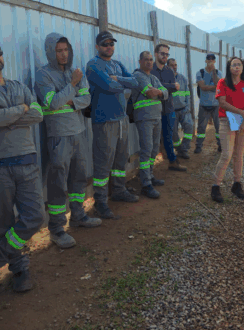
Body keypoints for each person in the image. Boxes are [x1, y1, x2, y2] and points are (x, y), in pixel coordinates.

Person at [34, 33, 101, 250]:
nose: (64, 54)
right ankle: (56, 229)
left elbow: (87, 98)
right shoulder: (43, 75)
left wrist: (72, 102)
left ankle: (78, 216)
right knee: (58, 182)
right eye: (59, 51)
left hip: (78, 132)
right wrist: (72, 86)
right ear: (50, 52)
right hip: (58, 136)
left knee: (79, 177)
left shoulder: (75, 71)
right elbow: (53, 103)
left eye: (66, 50)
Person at [0, 45, 45, 292]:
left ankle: (2, 253)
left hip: (26, 159)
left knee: (34, 215)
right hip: (1, 166)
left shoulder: (18, 86)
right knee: (4, 222)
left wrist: (8, 118)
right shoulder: (21, 97)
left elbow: (38, 114)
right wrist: (21, 109)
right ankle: (19, 268)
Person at [87, 31, 141, 218]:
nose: (109, 47)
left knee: (120, 159)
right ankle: (100, 202)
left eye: (111, 44)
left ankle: (118, 190)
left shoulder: (117, 65)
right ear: (97, 47)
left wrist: (119, 79)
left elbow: (135, 82)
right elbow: (109, 87)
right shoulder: (93, 65)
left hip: (121, 119)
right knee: (103, 163)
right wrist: (121, 83)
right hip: (104, 120)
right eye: (105, 44)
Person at [211, 57, 244, 203]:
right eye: (234, 65)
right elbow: (222, 103)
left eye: (239, 65)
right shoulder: (222, 82)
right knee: (227, 155)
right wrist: (241, 113)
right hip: (226, 120)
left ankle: (237, 184)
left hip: (243, 122)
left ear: (243, 68)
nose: (237, 67)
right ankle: (216, 186)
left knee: (239, 155)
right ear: (229, 68)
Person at [131, 51, 169, 199]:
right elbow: (150, 93)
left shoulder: (153, 77)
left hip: (156, 117)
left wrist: (158, 91)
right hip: (144, 118)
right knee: (146, 150)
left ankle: (150, 175)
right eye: (146, 59)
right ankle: (146, 184)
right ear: (140, 61)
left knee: (154, 149)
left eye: (151, 60)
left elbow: (166, 93)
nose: (149, 62)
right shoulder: (138, 75)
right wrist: (159, 92)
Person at [152, 44, 187, 172]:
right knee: (153, 140)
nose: (165, 56)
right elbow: (153, 88)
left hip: (168, 109)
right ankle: (149, 170)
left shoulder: (169, 71)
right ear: (156, 54)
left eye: (167, 54)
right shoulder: (151, 70)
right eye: (162, 54)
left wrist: (162, 88)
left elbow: (172, 89)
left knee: (168, 137)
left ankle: (172, 162)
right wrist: (170, 86)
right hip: (154, 110)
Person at [195, 54, 222, 154]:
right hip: (204, 105)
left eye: (212, 60)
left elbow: (218, 85)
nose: (210, 61)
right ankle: (198, 146)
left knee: (219, 127)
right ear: (205, 61)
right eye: (208, 59)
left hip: (216, 105)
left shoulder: (218, 73)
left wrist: (213, 71)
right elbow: (203, 87)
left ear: (214, 61)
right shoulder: (200, 73)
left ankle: (221, 145)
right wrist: (214, 87)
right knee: (201, 127)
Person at [168, 58, 194, 159]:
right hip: (172, 111)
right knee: (174, 133)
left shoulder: (182, 78)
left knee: (189, 127)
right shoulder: (165, 79)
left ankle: (184, 149)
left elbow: (187, 93)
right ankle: (179, 150)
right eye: (171, 65)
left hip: (183, 109)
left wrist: (187, 106)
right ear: (167, 66)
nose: (174, 67)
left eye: (175, 65)